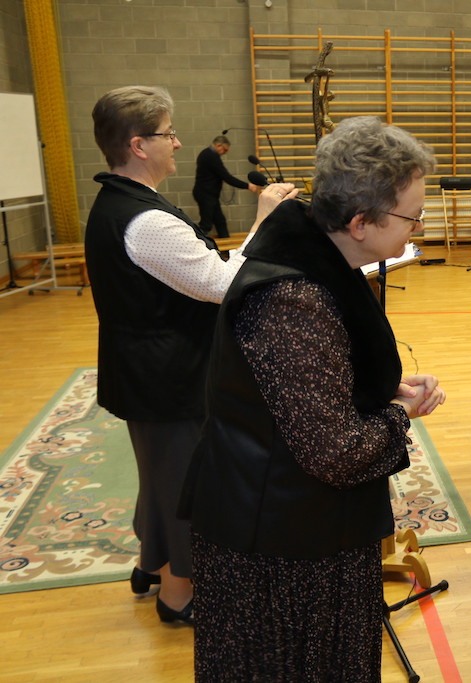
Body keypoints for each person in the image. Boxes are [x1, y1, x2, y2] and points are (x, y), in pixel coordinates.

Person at [181, 116, 445, 681]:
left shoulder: (317, 257)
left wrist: (378, 387)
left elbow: (304, 382)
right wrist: (400, 413)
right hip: (280, 546)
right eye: (411, 216)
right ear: (359, 223)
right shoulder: (293, 298)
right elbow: (335, 451)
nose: (418, 226)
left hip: (291, 523)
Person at [83, 85, 296, 625]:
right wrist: (264, 221)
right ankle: (178, 596)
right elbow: (224, 284)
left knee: (160, 475)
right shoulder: (145, 220)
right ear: (138, 145)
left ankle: (152, 564)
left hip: (146, 368)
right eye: (168, 133)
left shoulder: (122, 202)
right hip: (169, 376)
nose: (177, 142)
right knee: (185, 484)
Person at [192, 134, 260, 238]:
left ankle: (225, 241)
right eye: (225, 150)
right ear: (218, 145)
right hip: (205, 194)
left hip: (209, 194)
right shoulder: (211, 156)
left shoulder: (207, 154)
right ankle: (198, 241)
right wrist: (247, 186)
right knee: (206, 224)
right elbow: (226, 177)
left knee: (220, 222)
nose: (225, 153)